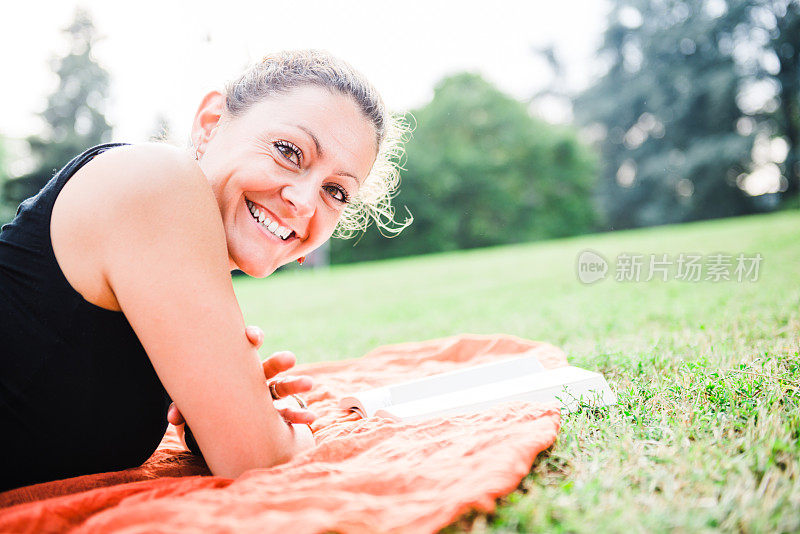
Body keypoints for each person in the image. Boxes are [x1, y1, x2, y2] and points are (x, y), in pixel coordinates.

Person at [0, 49, 409, 492]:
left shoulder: (168, 288)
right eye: (289, 151)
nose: (306, 201)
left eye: (336, 191)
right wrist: (285, 432)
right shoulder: (155, 179)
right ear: (211, 124)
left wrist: (224, 416)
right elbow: (260, 462)